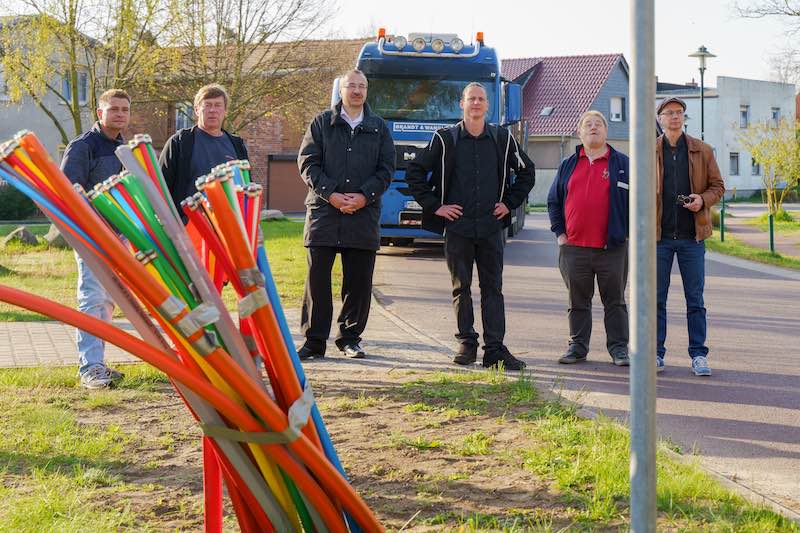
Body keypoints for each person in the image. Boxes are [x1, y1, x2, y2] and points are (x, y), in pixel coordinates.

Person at [406, 82, 535, 371]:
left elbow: (527, 173)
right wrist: (435, 206)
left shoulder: (503, 139)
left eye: (481, 99)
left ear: (487, 106)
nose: (476, 103)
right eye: (471, 99)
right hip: (458, 229)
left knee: (493, 289)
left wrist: (509, 203)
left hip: (490, 228)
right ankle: (467, 343)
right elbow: (415, 171)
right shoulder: (444, 139)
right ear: (461, 104)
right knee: (460, 288)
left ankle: (494, 350)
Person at [296, 69, 394, 359]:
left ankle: (349, 339)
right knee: (317, 280)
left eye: (362, 86)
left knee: (359, 283)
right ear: (341, 90)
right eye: (352, 86)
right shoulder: (321, 123)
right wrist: (332, 194)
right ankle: (314, 341)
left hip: (363, 216)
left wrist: (364, 196)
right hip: (324, 215)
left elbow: (387, 169)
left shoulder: (379, 128)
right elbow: (308, 163)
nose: (357, 91)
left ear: (367, 91)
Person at [547, 110, 630, 366]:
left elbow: (638, 201)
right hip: (574, 248)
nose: (593, 128)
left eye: (598, 124)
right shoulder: (568, 164)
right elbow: (553, 200)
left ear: (606, 131)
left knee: (614, 302)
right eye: (587, 124)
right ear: (579, 133)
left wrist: (627, 232)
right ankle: (577, 347)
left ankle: (619, 349)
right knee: (577, 301)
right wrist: (560, 233)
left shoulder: (622, 164)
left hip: (612, 248)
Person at [61, 89, 131, 388]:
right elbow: (66, 191)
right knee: (92, 298)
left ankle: (98, 363)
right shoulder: (83, 146)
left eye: (124, 109)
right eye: (113, 108)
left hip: (118, 233)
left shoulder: (122, 147)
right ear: (99, 113)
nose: (119, 114)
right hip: (91, 235)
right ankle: (89, 367)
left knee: (109, 301)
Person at [655, 97, 725, 376]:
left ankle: (698, 355)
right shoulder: (649, 151)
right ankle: (656, 354)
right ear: (660, 118)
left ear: (684, 117)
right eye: (669, 113)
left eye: (679, 112)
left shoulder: (702, 150)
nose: (674, 117)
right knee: (656, 299)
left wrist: (702, 199)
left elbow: (718, 186)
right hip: (659, 239)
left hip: (692, 239)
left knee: (695, 300)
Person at [159, 84, 249, 213]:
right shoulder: (180, 142)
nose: (212, 110)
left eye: (218, 105)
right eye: (207, 105)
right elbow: (161, 186)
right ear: (196, 110)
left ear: (225, 111)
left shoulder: (237, 144)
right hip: (190, 225)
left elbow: (245, 184)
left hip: (229, 226)